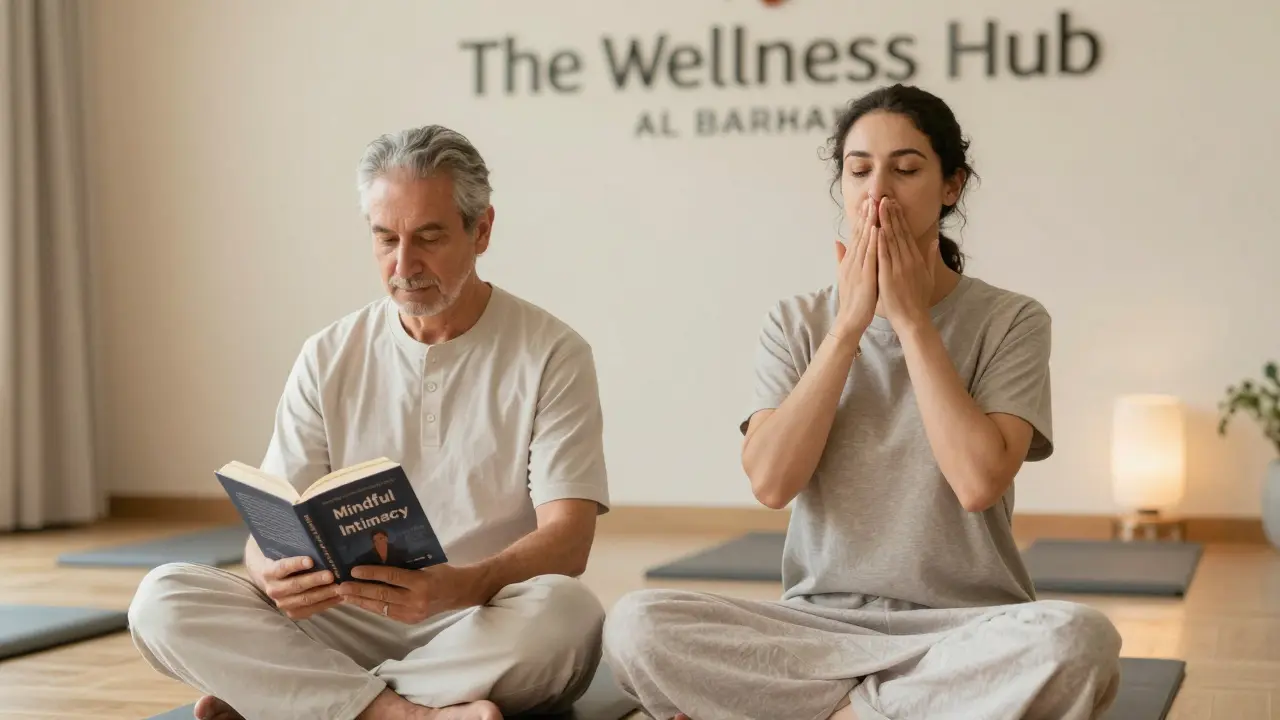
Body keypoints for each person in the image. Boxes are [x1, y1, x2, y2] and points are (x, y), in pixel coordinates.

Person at [603, 84, 1123, 720]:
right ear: (842, 185)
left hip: (964, 631)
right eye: (859, 170)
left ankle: (830, 713)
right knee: (636, 625)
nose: (879, 190)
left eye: (906, 169)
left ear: (951, 186)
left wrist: (911, 324)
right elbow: (771, 482)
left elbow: (979, 481)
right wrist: (848, 327)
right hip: (817, 633)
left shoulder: (1010, 319)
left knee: (1078, 640)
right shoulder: (796, 320)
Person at [128, 125, 612, 720]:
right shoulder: (328, 353)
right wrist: (269, 573)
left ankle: (300, 699)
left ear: (481, 230)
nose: (403, 265)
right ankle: (400, 713)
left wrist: (460, 585)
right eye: (385, 239)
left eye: (428, 237)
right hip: (341, 621)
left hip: (478, 619)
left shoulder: (553, 352)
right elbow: (273, 522)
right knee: (162, 599)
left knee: (569, 617)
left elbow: (569, 540)